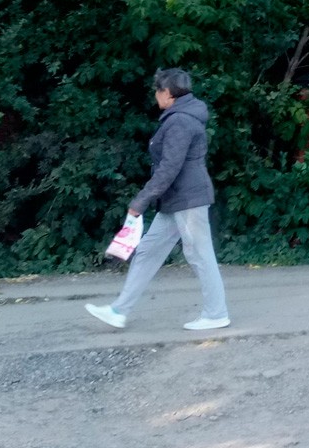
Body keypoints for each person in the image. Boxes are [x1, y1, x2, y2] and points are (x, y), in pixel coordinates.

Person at [86, 68, 229, 331]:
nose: (155, 96)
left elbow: (169, 168)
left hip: (187, 199)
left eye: (157, 91)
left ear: (167, 93)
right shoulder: (182, 116)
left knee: (200, 255)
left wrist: (140, 201)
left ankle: (216, 313)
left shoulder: (180, 121)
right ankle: (119, 310)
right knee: (148, 251)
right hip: (177, 200)